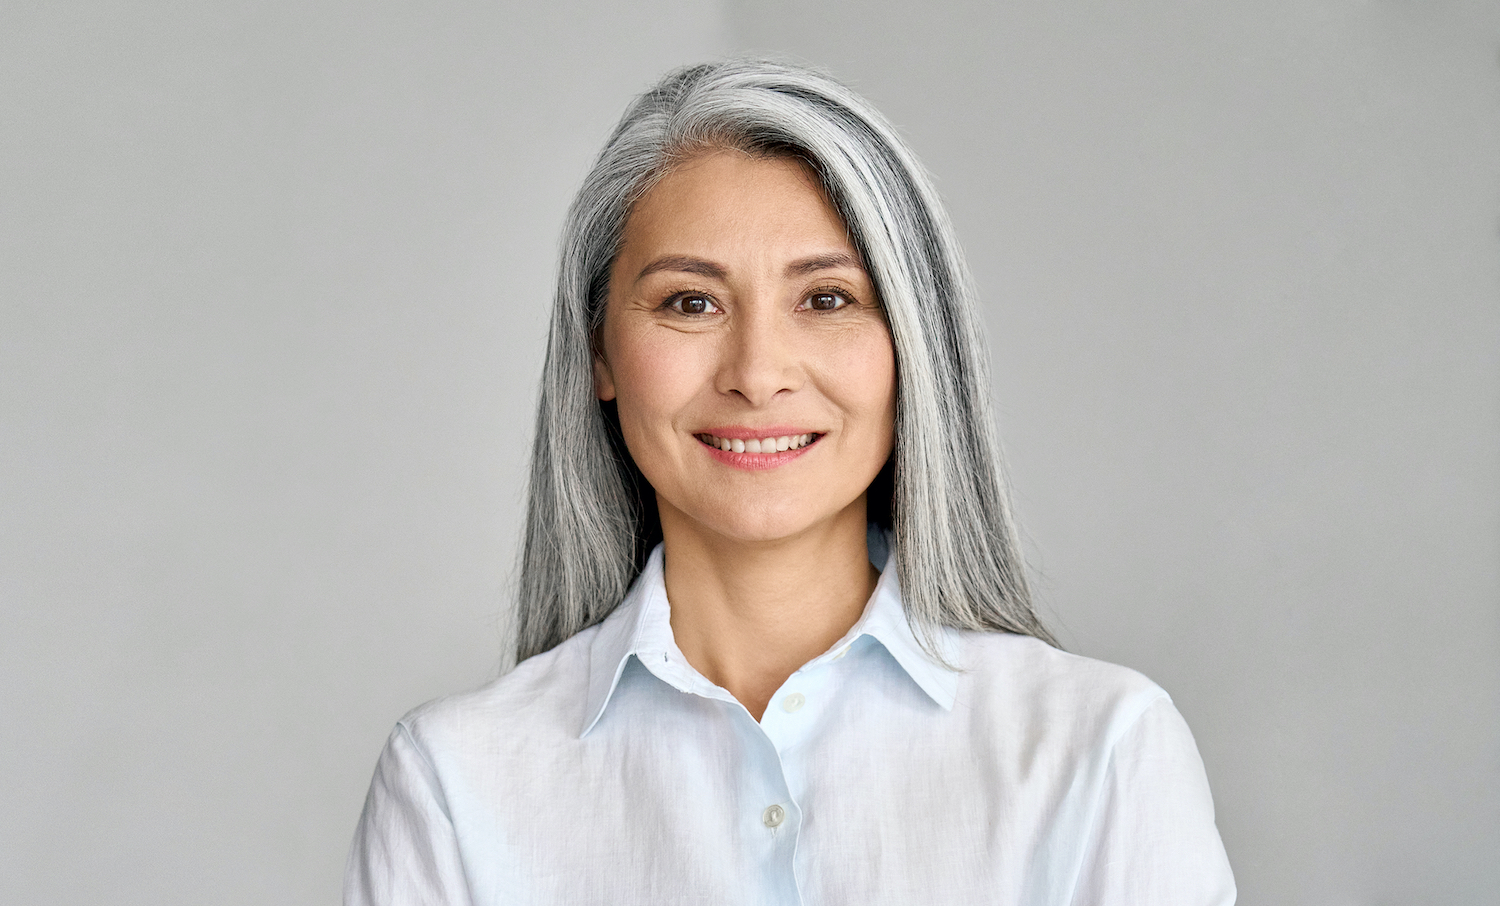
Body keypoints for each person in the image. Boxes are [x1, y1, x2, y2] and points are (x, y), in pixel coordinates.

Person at [345, 59, 1236, 905]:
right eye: (691, 303)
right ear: (599, 353)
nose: (759, 373)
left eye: (827, 299)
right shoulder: (453, 785)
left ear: (912, 347)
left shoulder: (1102, 751)